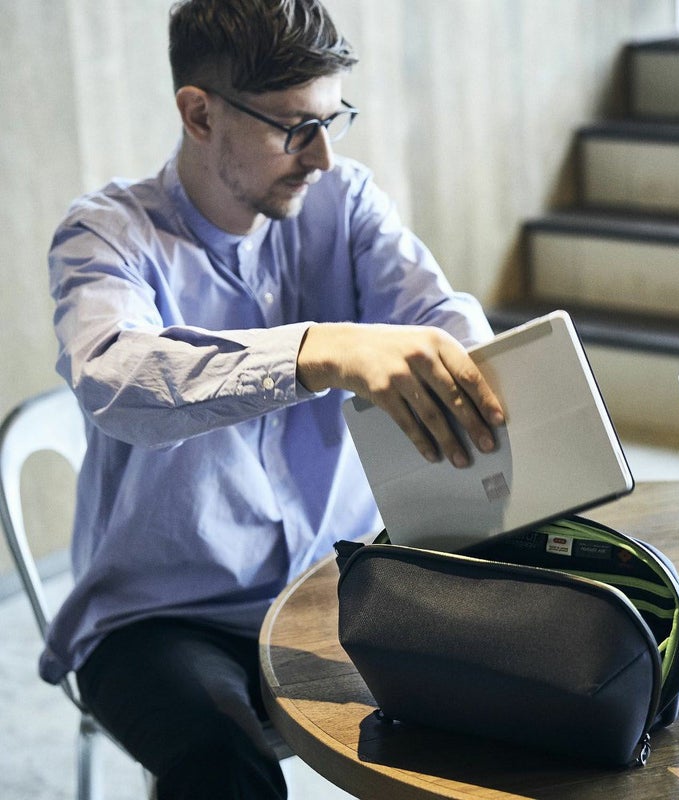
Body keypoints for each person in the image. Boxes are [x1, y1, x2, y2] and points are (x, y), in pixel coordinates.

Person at [42, 0, 504, 797]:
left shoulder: (345, 201)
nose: (322, 155)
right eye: (295, 128)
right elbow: (115, 377)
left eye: (334, 119)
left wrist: (468, 355)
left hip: (340, 583)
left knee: (524, 686)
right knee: (224, 764)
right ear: (199, 114)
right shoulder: (106, 233)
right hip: (165, 617)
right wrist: (314, 350)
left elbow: (438, 314)